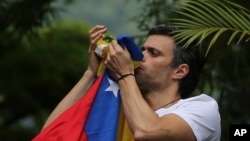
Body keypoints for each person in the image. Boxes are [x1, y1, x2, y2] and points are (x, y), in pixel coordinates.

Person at [42, 24, 221, 141]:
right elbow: (52, 132)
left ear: (179, 71)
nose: (140, 56)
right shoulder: (121, 106)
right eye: (142, 49)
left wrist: (125, 74)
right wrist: (90, 73)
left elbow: (147, 131)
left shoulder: (201, 108)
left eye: (154, 53)